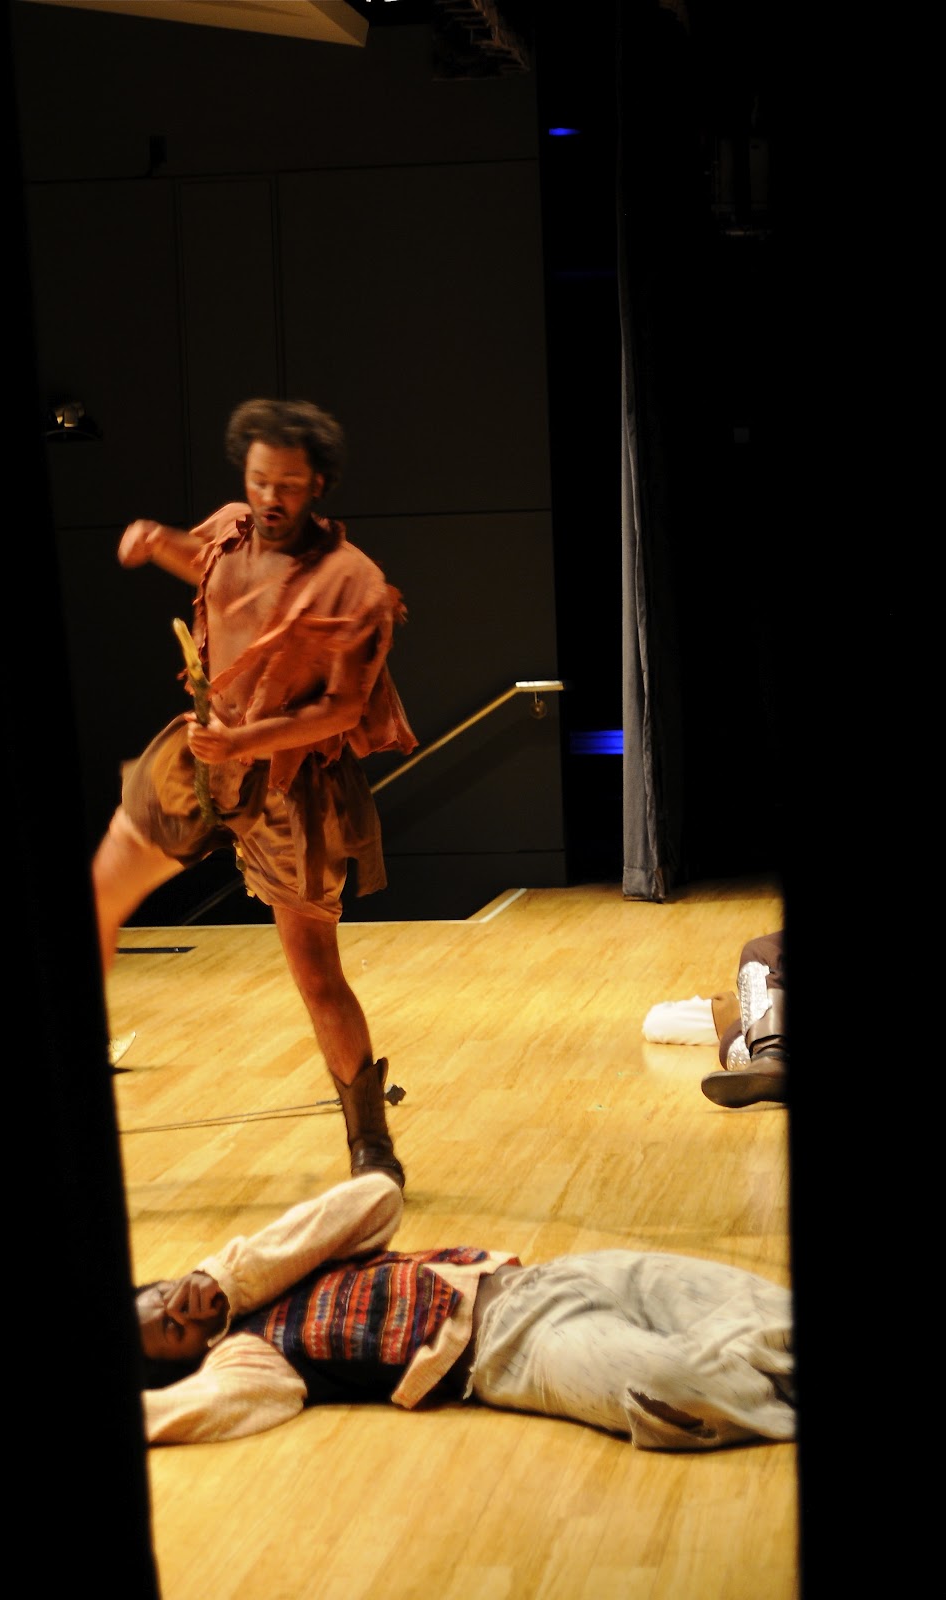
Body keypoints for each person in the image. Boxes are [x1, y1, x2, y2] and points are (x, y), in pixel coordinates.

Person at [92, 399, 418, 1185]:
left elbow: (341, 708)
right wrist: (154, 540)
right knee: (99, 895)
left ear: (318, 486)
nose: (270, 497)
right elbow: (212, 570)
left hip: (293, 784)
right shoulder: (232, 529)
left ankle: (370, 1146)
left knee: (315, 972)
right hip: (203, 756)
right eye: (259, 479)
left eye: (289, 485)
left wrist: (245, 743)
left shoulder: (352, 584)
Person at [136, 1172, 795, 1451]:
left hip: (552, 1276)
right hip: (519, 1350)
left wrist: (229, 1275)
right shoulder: (249, 1360)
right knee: (670, 1386)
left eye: (161, 1295)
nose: (178, 1308)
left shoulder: (266, 1264)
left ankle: (761, 1355)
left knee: (767, 1307)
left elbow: (377, 1195)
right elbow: (198, 1408)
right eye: (170, 1328)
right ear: (186, 1359)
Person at [640, 930, 787, 1109]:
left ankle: (770, 1058)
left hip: (762, 1013)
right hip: (765, 1005)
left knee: (759, 950)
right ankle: (769, 1057)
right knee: (659, 1022)